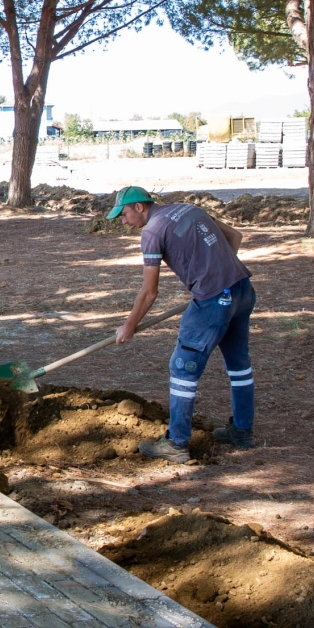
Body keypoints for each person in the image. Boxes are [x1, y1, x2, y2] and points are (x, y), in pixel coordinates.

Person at [110, 186, 256, 463]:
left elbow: (150, 292)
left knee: (182, 369)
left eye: (125, 214)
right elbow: (235, 236)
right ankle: (242, 431)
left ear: (140, 206)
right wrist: (218, 274)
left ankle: (176, 443)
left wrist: (128, 326)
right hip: (242, 289)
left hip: (214, 301)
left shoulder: (152, 232)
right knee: (239, 366)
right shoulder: (189, 209)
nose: (124, 221)